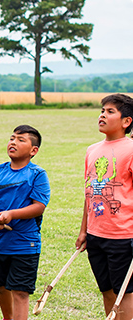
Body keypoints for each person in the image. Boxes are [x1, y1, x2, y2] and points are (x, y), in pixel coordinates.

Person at [0, 125, 50, 320]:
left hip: (25, 244)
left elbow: (39, 206)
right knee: (1, 286)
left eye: (21, 140)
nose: (13, 142)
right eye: (12, 138)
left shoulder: (37, 174)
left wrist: (11, 214)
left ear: (33, 150)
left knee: (20, 290)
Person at [76, 93, 133, 320]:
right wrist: (84, 230)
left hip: (123, 235)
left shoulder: (130, 149)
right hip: (96, 234)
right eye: (102, 111)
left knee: (125, 293)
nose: (102, 115)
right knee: (106, 290)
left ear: (126, 121)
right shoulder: (92, 150)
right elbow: (89, 194)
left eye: (110, 112)